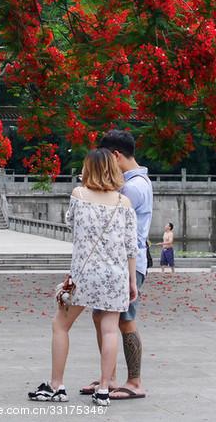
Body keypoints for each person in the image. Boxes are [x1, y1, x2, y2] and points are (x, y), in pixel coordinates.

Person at [28, 148, 138, 407]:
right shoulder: (124, 204)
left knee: (61, 325)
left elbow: (71, 224)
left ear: (88, 169)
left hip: (85, 274)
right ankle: (103, 388)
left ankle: (56, 385)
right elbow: (131, 246)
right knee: (110, 330)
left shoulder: (79, 195)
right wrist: (132, 282)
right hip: (116, 274)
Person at [80, 129, 152, 401]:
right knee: (101, 317)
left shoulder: (133, 187)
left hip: (128, 263)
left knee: (125, 320)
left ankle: (134, 381)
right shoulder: (131, 182)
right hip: (114, 263)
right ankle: (107, 377)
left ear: (116, 155)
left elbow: (108, 215)